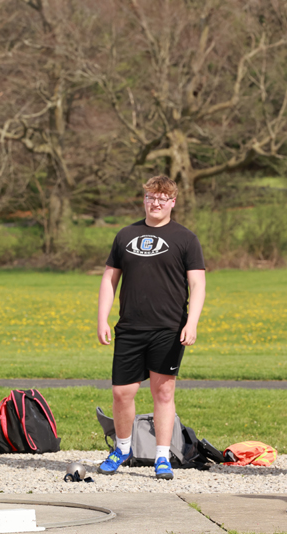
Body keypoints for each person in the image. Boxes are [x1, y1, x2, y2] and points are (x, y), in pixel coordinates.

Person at [96, 175, 206, 480]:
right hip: (131, 327)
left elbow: (197, 284)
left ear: (172, 202)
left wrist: (192, 322)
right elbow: (109, 279)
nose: (155, 203)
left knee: (164, 391)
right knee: (122, 392)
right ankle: (122, 448)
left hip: (168, 327)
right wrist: (102, 317)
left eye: (162, 198)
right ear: (144, 199)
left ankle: (162, 456)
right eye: (150, 197)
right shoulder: (126, 235)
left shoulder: (186, 238)